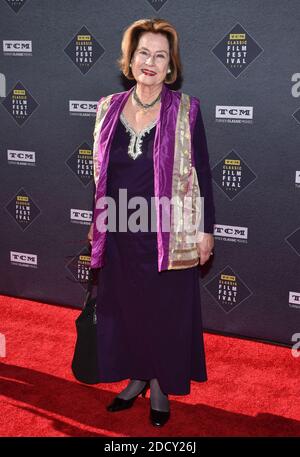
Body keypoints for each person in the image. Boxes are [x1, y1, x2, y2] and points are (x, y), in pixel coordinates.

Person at [87, 18, 215, 427]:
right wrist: (97, 220)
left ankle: (159, 384)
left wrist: (204, 229)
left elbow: (202, 173)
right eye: (144, 52)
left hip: (167, 231)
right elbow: (100, 172)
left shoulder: (186, 110)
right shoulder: (107, 107)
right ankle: (137, 377)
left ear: (170, 66)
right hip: (120, 228)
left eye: (161, 55)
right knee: (127, 308)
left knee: (163, 311)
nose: (151, 62)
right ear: (129, 58)